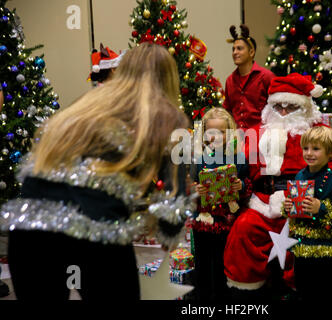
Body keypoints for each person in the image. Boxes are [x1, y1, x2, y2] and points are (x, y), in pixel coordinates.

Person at [0, 43, 192, 300]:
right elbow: (173, 201)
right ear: (169, 78)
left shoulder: (88, 103)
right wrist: (168, 232)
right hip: (96, 233)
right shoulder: (168, 117)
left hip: (29, 231)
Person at [223, 73, 332, 299]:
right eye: (278, 107)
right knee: (243, 230)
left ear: (305, 108)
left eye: (291, 107)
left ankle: (298, 291)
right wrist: (237, 186)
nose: (284, 113)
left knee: (304, 247)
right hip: (263, 203)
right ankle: (246, 295)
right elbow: (243, 170)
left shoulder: (322, 136)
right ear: (269, 107)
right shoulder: (256, 135)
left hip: (303, 205)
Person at [283, 126, 332, 300]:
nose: (309, 153)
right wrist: (288, 207)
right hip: (302, 245)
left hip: (326, 248)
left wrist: (321, 208)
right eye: (306, 148)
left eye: (316, 149)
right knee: (303, 286)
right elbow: (296, 208)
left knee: (325, 290)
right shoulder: (300, 176)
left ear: (330, 152)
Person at [191, 107, 249, 300]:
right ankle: (202, 300)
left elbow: (248, 187)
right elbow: (189, 186)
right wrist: (195, 190)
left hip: (228, 222)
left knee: (223, 264)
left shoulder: (238, 158)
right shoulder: (198, 159)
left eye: (221, 132)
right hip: (204, 222)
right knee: (203, 265)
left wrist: (240, 185)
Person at [223, 25, 275, 131]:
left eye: (239, 49)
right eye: (233, 49)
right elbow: (227, 112)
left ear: (251, 52)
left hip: (261, 138)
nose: (235, 52)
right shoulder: (230, 81)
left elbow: (277, 108)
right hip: (237, 139)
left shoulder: (266, 77)